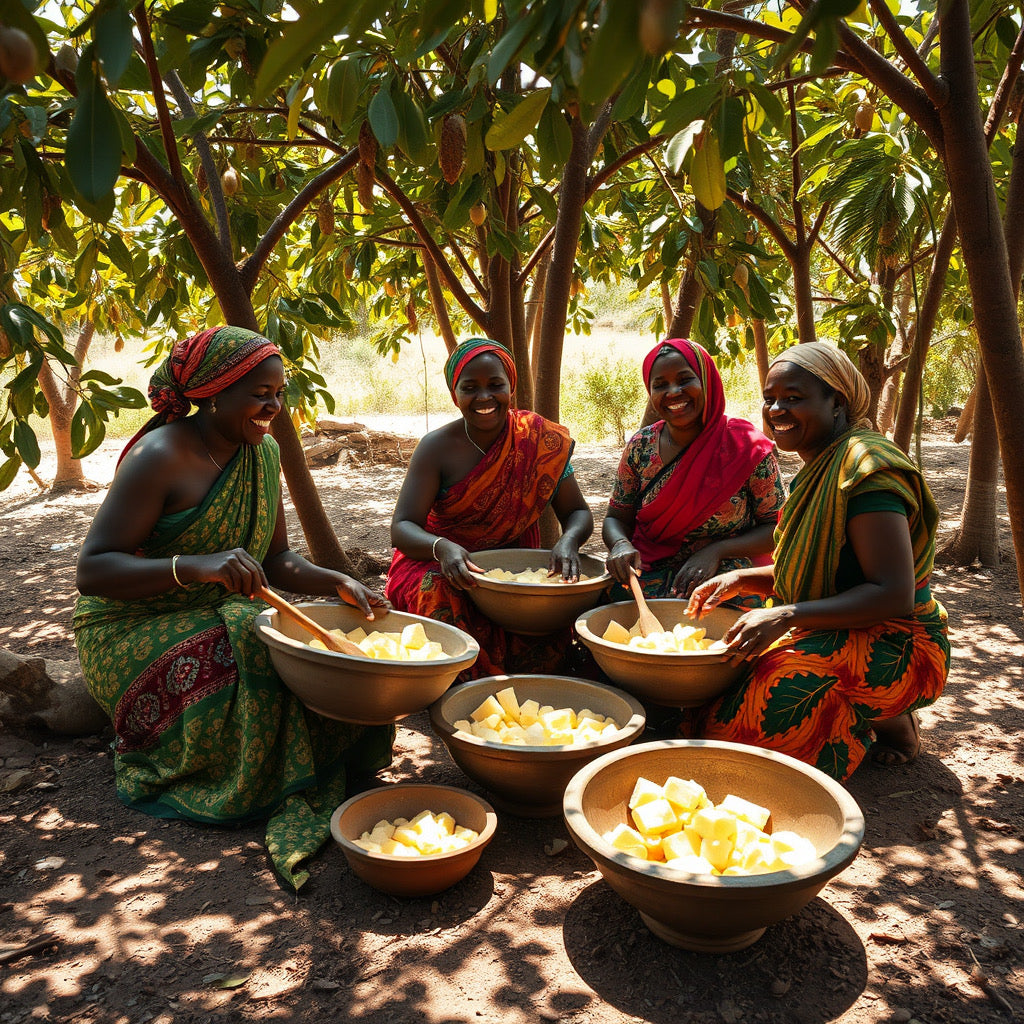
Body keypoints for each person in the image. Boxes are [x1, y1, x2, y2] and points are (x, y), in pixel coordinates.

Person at [73, 326, 393, 889]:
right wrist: (194, 566)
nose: (273, 407)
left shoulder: (261, 453)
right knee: (245, 643)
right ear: (214, 393)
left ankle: (294, 763)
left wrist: (335, 581)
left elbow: (277, 561)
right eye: (259, 394)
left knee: (304, 649)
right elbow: (94, 571)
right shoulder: (159, 456)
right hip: (128, 623)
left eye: (279, 393)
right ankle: (232, 775)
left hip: (213, 609)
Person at [686, 341, 950, 781]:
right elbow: (821, 572)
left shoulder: (868, 472)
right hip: (838, 623)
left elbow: (893, 593)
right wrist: (739, 581)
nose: (776, 409)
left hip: (899, 643)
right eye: (771, 398)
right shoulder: (821, 466)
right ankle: (862, 713)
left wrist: (785, 616)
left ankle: (886, 718)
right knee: (720, 678)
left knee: (751, 724)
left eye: (794, 398)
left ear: (838, 402)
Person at [386, 337, 594, 679]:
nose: (484, 398)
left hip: (512, 567)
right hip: (444, 562)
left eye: (495, 385)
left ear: (511, 388)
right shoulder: (436, 447)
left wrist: (568, 540)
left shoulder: (538, 440)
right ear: (456, 395)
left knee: (549, 623)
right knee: (436, 593)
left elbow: (578, 512)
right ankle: (457, 686)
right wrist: (443, 548)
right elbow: (403, 527)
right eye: (471, 388)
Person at [603, 338, 785, 601]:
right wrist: (620, 545)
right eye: (660, 384)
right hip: (648, 569)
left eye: (685, 379)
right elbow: (616, 517)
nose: (674, 392)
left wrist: (717, 551)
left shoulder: (746, 446)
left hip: (726, 574)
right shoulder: (640, 447)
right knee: (608, 616)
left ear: (707, 381)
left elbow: (776, 527)